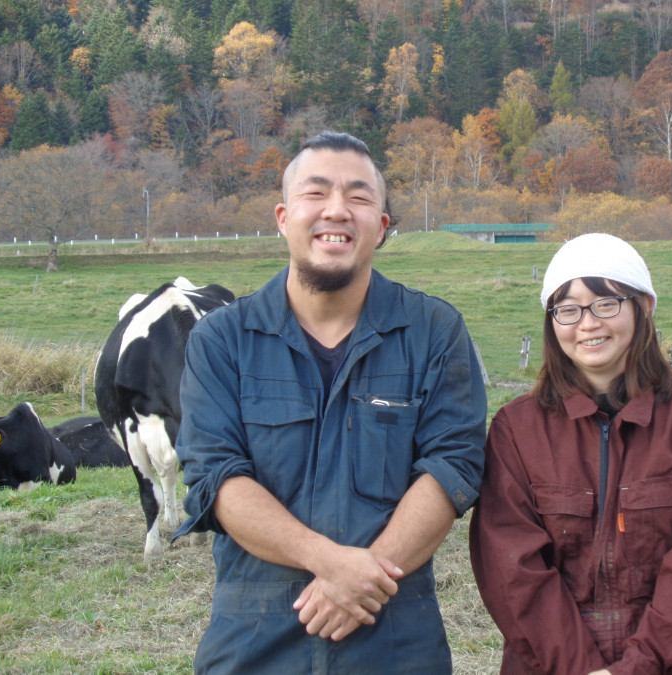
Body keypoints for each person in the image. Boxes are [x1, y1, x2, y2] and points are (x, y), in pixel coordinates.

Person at [174, 131, 487, 674]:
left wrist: (365, 578)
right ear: (283, 217)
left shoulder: (435, 332)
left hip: (395, 641)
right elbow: (216, 478)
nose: (337, 210)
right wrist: (332, 565)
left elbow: (452, 465)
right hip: (254, 641)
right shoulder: (221, 340)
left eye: (359, 197)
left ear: (381, 226)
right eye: (316, 193)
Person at [469, 233, 672, 674]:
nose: (587, 324)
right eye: (568, 309)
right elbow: (511, 568)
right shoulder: (516, 430)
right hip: (551, 664)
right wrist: (580, 666)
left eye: (606, 304)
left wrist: (637, 666)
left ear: (644, 307)